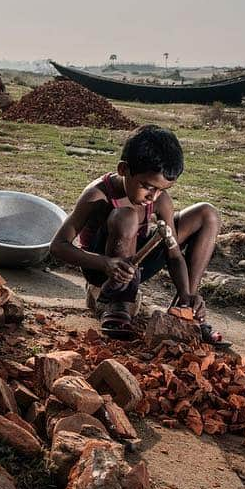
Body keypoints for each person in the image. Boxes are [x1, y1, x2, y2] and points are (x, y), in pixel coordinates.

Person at [48, 124, 227, 345]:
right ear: (124, 169)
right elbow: (58, 246)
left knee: (208, 214)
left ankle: (185, 309)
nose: (154, 196)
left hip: (137, 265)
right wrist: (105, 263)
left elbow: (173, 255)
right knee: (127, 216)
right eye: (148, 187)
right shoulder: (97, 195)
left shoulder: (159, 200)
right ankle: (117, 302)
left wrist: (185, 292)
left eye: (162, 189)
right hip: (104, 270)